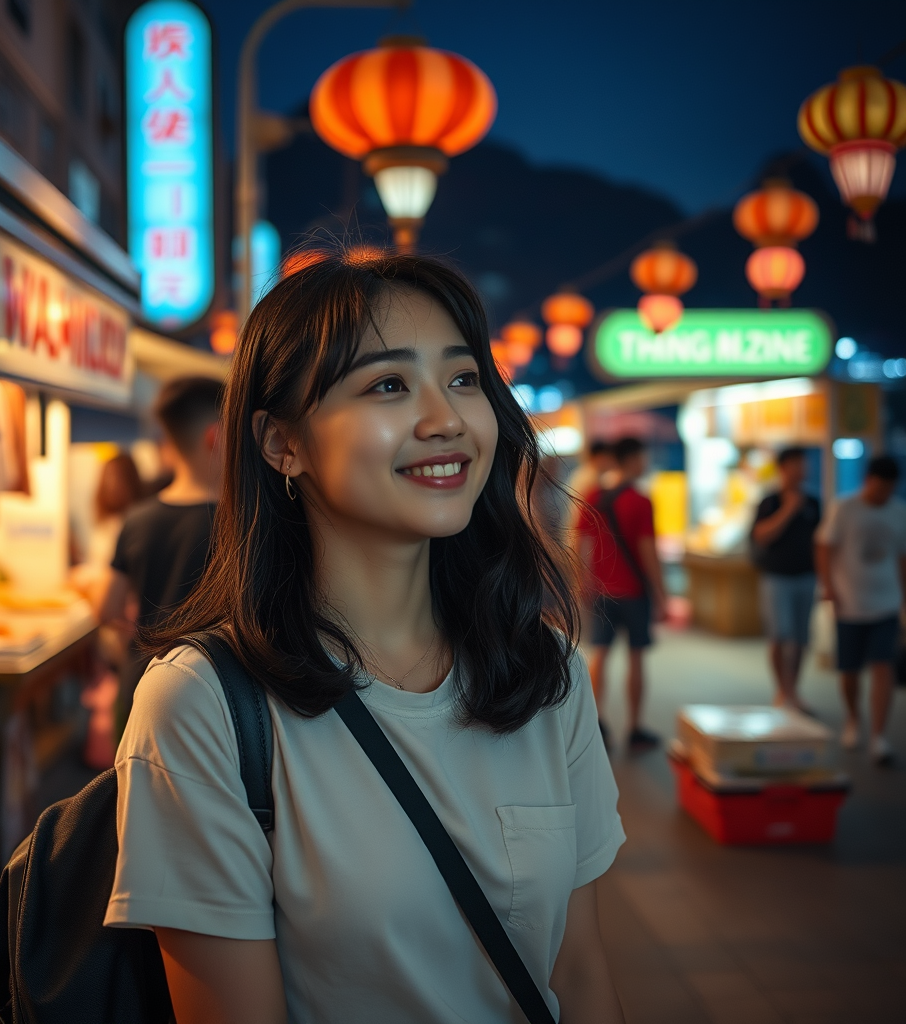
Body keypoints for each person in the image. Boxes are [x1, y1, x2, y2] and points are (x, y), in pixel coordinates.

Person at [104, 252, 626, 1023]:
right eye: (388, 384)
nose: (445, 418)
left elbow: (579, 973)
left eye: (463, 379)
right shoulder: (205, 706)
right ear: (282, 445)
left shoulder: (542, 669)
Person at [99, 376, 224, 729]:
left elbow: (107, 608)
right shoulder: (238, 524)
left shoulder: (137, 519)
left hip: (141, 684)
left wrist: (147, 634)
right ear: (215, 437)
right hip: (208, 693)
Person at [578, 436, 667, 751]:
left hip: (601, 591)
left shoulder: (593, 496)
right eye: (643, 457)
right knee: (636, 657)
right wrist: (661, 593)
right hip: (633, 592)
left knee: (599, 654)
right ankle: (635, 727)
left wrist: (582, 582)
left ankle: (595, 724)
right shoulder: (641, 501)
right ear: (631, 460)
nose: (645, 463)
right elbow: (647, 550)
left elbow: (582, 544)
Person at [816, 455, 906, 767]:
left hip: (887, 603)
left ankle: (879, 736)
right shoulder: (844, 508)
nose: (883, 496)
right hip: (849, 603)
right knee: (850, 671)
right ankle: (854, 718)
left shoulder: (898, 513)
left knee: (883, 666)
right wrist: (828, 586)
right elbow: (825, 547)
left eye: (888, 490)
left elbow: (902, 558)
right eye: (879, 489)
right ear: (868, 481)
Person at [750, 447, 821, 711]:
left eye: (805, 463)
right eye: (797, 464)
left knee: (801, 638)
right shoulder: (769, 501)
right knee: (779, 636)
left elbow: (820, 543)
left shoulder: (813, 503)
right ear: (783, 468)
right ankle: (782, 690)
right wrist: (789, 510)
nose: (803, 469)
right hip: (776, 577)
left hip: (806, 576)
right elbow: (760, 535)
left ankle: (794, 690)